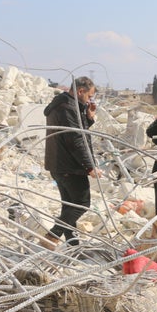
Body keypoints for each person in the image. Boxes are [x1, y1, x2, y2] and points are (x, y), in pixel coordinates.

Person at [43, 76, 101, 248]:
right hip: (70, 166)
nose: (90, 100)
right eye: (89, 96)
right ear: (80, 91)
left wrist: (89, 117)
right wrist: (89, 166)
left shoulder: (63, 105)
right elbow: (75, 139)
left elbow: (78, 131)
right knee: (82, 204)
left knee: (68, 207)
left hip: (59, 165)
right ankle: (52, 236)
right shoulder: (68, 108)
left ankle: (73, 245)